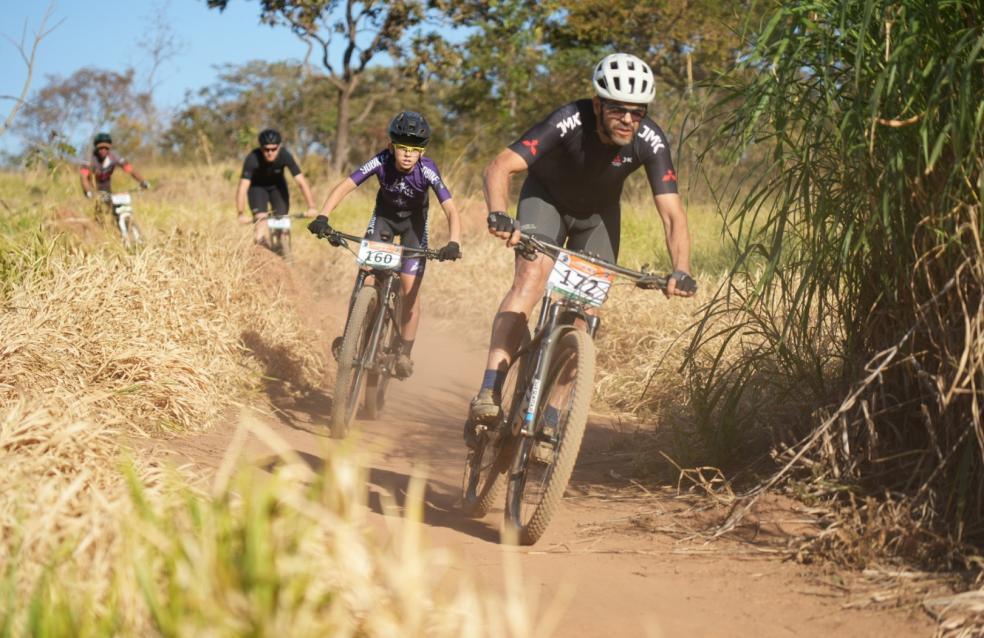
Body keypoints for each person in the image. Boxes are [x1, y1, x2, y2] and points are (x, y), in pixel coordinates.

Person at [466, 52, 698, 441]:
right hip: (546, 201)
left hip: (597, 216)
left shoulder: (650, 139)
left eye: (637, 112)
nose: (628, 119)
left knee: (586, 315)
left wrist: (682, 269)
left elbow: (673, 214)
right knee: (530, 280)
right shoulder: (569, 120)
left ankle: (552, 417)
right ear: (597, 105)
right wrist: (499, 214)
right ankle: (490, 388)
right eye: (618, 109)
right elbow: (499, 166)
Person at [307, 111, 462, 379]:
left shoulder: (427, 170)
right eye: (402, 147)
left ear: (422, 152)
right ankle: (350, 336)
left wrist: (454, 241)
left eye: (414, 149)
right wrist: (323, 216)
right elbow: (346, 185)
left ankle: (404, 352)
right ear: (391, 146)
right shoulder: (380, 160)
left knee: (410, 289)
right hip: (384, 221)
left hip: (414, 226)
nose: (408, 154)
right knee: (367, 276)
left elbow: (450, 208)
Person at [236, 128, 318, 246]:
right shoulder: (252, 158)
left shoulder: (285, 155)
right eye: (266, 149)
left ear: (279, 147)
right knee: (261, 221)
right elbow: (243, 187)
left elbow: (301, 182)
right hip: (257, 188)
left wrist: (311, 206)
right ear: (261, 148)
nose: (270, 152)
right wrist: (240, 213)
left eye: (274, 149)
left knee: (282, 222)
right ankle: (260, 247)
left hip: (277, 187)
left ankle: (283, 251)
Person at [79, 132, 150, 199]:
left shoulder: (114, 156)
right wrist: (88, 191)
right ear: (96, 148)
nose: (103, 150)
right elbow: (83, 177)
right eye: (100, 148)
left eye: (106, 148)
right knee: (96, 203)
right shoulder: (89, 158)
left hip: (106, 185)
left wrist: (143, 181)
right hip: (92, 186)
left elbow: (131, 170)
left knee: (111, 203)